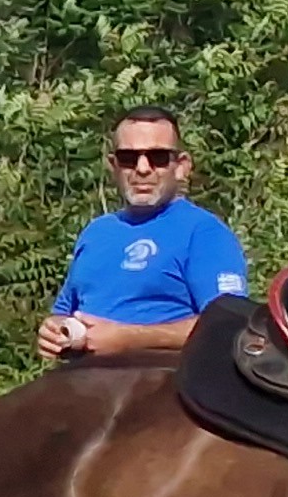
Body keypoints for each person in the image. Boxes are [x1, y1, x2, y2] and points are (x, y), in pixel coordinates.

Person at [38, 107, 251, 359]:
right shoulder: (96, 232)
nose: (142, 169)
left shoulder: (204, 233)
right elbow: (64, 311)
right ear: (113, 165)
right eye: (128, 158)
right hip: (82, 382)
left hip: (162, 380)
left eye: (158, 157)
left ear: (181, 166)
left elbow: (228, 325)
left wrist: (129, 339)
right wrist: (53, 331)